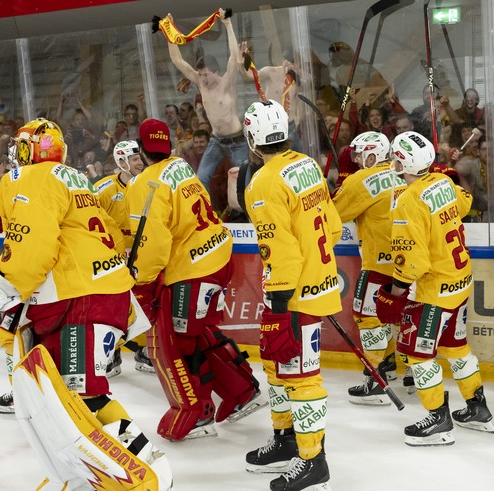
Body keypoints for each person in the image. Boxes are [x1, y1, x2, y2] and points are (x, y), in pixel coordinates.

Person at [0, 118, 172, 488]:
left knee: (74, 399)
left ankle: (133, 479)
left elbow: (31, 255)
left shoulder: (25, 179)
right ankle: (144, 462)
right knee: (83, 393)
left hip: (80, 302)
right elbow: (65, 231)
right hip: (107, 296)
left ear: (29, 150)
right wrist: (3, 220)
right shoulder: (71, 177)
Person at [126, 118, 264, 442]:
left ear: (141, 149)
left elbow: (152, 245)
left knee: (178, 342)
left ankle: (198, 412)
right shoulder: (181, 167)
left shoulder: (145, 184)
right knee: (198, 332)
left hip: (193, 270)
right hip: (217, 254)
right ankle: (243, 389)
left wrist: (142, 285)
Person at [374, 130, 494, 447]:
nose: (393, 163)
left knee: (417, 354)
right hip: (460, 281)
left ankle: (439, 419)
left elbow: (412, 262)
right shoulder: (444, 183)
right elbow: (465, 204)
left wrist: (395, 292)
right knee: (456, 347)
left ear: (403, 162)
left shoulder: (408, 200)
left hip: (432, 292)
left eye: (395, 159)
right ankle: (477, 408)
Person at [242, 100, 340, 491]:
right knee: (277, 368)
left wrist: (280, 306)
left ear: (252, 139)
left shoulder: (263, 184)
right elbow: (331, 228)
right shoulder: (307, 164)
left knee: (301, 377)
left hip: (293, 293)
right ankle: (286, 441)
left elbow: (280, 250)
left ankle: (313, 461)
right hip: (314, 281)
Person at [332, 131, 408, 404]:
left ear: (371, 153)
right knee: (390, 315)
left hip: (380, 261)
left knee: (367, 316)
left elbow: (334, 213)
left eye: (359, 154)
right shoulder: (401, 171)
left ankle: (376, 379)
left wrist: (340, 182)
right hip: (408, 260)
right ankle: (390, 364)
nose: (355, 159)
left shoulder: (361, 179)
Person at [166, 9, 249, 193]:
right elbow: (177, 60)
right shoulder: (200, 83)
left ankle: (250, 216)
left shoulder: (227, 82)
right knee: (201, 178)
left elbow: (235, 57)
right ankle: (203, 215)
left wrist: (227, 24)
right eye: (201, 74)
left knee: (245, 183)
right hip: (216, 140)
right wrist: (169, 31)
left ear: (216, 72)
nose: (202, 78)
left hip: (237, 141)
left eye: (206, 74)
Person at [95, 140, 155, 373]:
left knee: (142, 305)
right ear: (121, 162)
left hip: (141, 257)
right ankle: (112, 354)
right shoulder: (104, 189)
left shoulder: (147, 185)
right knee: (113, 307)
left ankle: (142, 352)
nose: (140, 162)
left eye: (140, 157)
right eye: (134, 158)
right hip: (113, 261)